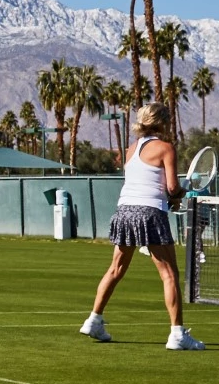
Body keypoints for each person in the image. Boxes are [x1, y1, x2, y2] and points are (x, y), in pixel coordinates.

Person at [81, 102, 203, 350]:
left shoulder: (131, 149)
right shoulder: (166, 148)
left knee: (115, 269)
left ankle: (94, 320)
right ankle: (177, 335)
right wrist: (184, 192)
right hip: (149, 213)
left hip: (124, 211)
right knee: (169, 274)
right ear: (162, 122)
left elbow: (151, 184)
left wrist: (172, 198)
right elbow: (171, 188)